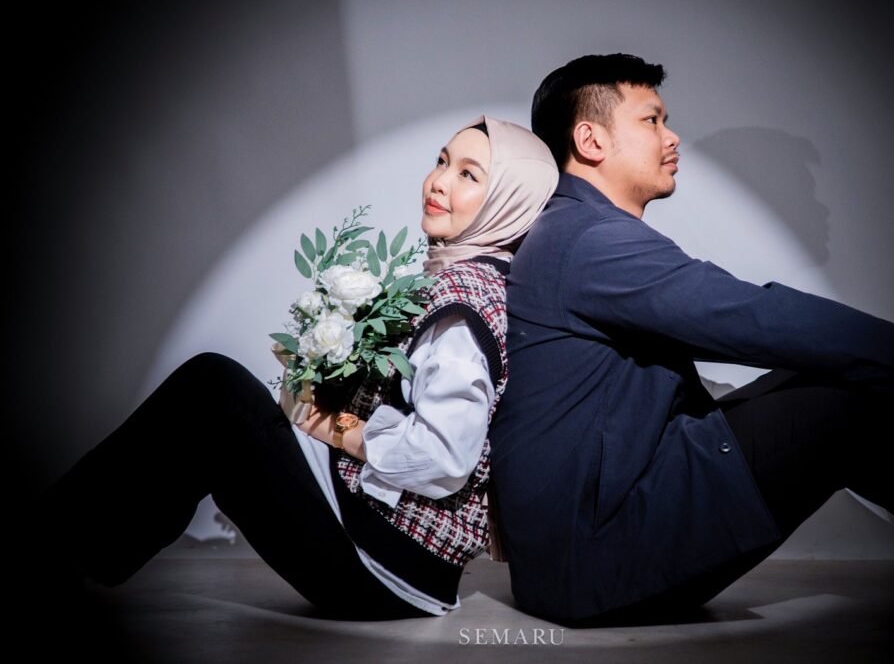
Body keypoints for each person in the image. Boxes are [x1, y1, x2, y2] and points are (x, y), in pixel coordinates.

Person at [486, 53, 894, 625]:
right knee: (844, 399)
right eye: (651, 120)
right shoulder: (591, 241)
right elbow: (754, 318)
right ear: (590, 140)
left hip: (577, 558)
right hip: (596, 563)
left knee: (843, 373)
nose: (671, 136)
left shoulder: (571, 231)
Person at [21, 115, 558, 625]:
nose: (439, 181)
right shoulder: (458, 279)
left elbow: (445, 456)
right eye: (441, 161)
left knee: (216, 390)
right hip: (376, 530)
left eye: (469, 175)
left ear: (507, 202)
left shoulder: (464, 309)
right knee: (215, 400)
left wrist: (333, 428)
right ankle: (66, 555)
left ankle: (51, 553)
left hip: (389, 563)